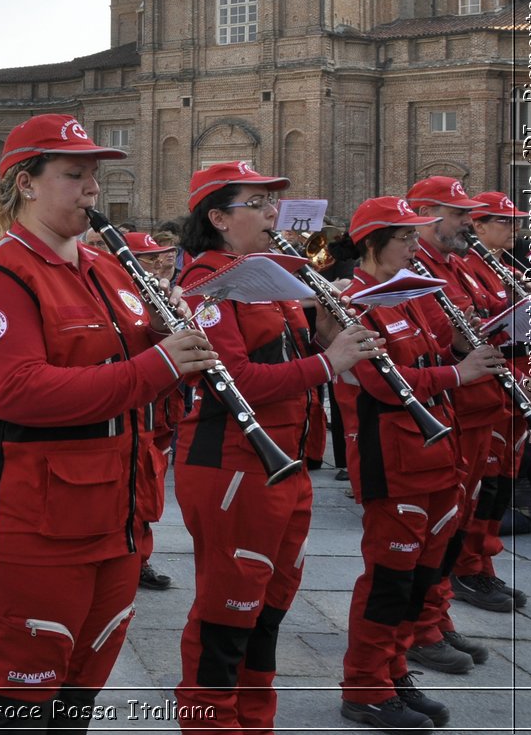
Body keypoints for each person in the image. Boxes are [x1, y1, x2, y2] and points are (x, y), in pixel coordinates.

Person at [0, 114, 214, 731]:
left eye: (94, 175)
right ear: (24, 184)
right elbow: (16, 391)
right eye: (74, 174)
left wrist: (185, 359)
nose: (92, 188)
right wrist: (155, 365)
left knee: (76, 702)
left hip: (115, 515)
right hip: (30, 525)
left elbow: (151, 379)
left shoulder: (111, 272)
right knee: (18, 706)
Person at [172, 163, 382, 732]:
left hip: (284, 460)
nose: (273, 216)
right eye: (259, 205)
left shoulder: (266, 275)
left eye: (273, 205)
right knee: (229, 604)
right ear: (218, 218)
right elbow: (235, 377)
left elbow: (290, 356)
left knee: (271, 600)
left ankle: (255, 718)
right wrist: (328, 363)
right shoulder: (205, 282)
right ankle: (209, 721)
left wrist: (333, 330)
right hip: (232, 462)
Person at [335, 196, 503, 731]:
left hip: (439, 450)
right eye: (404, 238)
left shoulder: (412, 291)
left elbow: (444, 347)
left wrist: (473, 333)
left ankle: (395, 670)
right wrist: (462, 373)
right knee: (389, 577)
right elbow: (387, 384)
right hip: (396, 455)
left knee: (422, 573)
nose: (414, 245)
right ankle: (364, 685)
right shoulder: (355, 301)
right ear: (372, 242)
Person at [402, 176, 515, 668]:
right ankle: (422, 628)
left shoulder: (453, 263)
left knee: (456, 522)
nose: (468, 222)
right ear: (425, 212)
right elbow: (433, 341)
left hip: (476, 403)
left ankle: (437, 618)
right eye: (457, 213)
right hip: (450, 410)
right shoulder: (416, 268)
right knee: (435, 532)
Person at [451, 191, 531, 613]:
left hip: (517, 381)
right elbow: (480, 332)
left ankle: (483, 561)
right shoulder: (465, 268)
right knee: (482, 483)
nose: (514, 229)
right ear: (480, 226)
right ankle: (467, 567)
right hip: (492, 383)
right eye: (503, 222)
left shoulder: (503, 266)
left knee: (502, 480)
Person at [121, 230, 184, 593]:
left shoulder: (158, 293)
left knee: (150, 489)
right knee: (136, 491)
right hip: (138, 410)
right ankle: (131, 560)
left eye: (161, 255)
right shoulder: (124, 298)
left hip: (162, 409)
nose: (158, 261)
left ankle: (140, 558)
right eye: (149, 257)